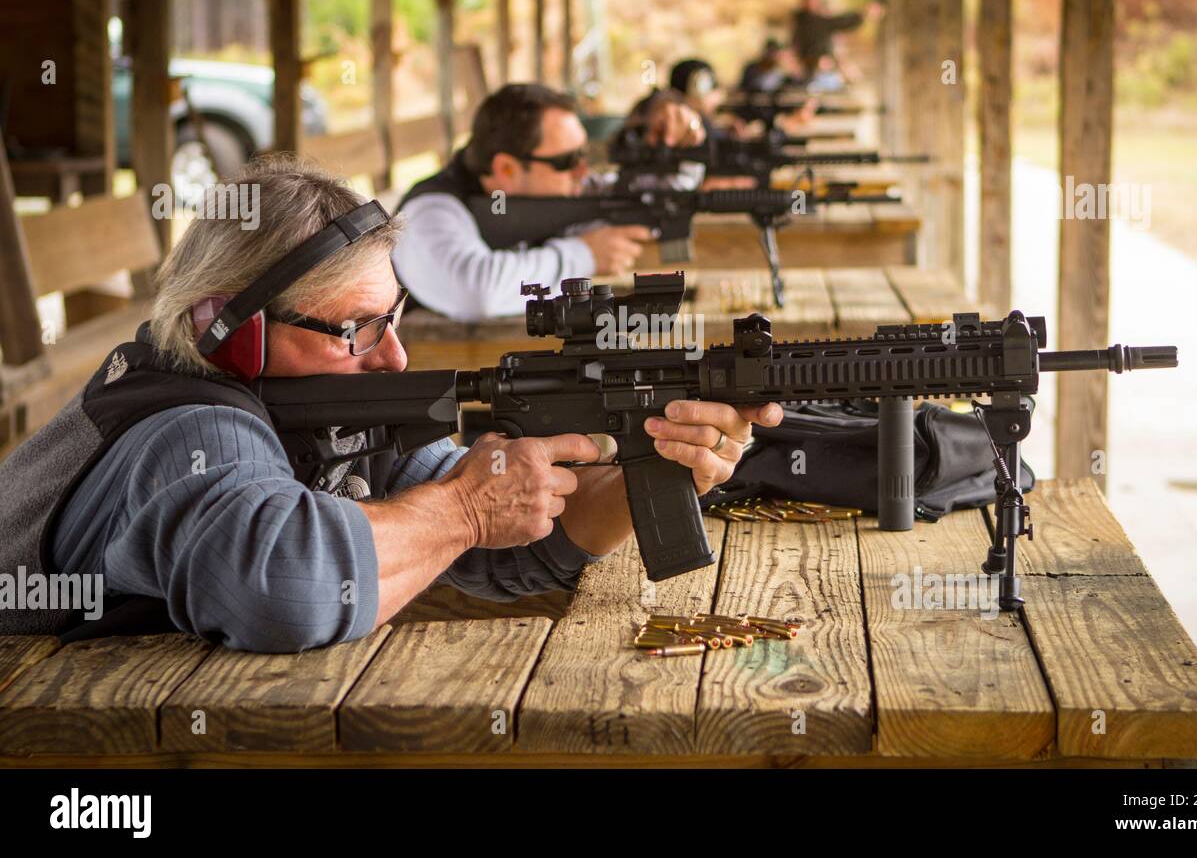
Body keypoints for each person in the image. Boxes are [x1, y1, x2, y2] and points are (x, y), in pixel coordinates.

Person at [0, 157, 782, 651]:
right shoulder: (189, 431)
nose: (394, 355)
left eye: (394, 317)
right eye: (356, 329)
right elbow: (285, 588)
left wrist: (663, 464)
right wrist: (466, 510)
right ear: (231, 332)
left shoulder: (318, 402)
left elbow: (501, 552)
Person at [392, 83, 706, 321]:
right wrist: (585, 255)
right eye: (568, 160)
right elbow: (476, 291)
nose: (584, 170)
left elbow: (665, 192)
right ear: (507, 169)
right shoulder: (428, 212)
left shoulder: (563, 189)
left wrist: (681, 144)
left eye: (584, 154)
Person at [791, 0, 864, 88]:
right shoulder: (801, 21)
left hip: (825, 71)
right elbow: (797, 48)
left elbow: (843, 23)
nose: (813, 2)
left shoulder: (822, 19)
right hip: (810, 72)